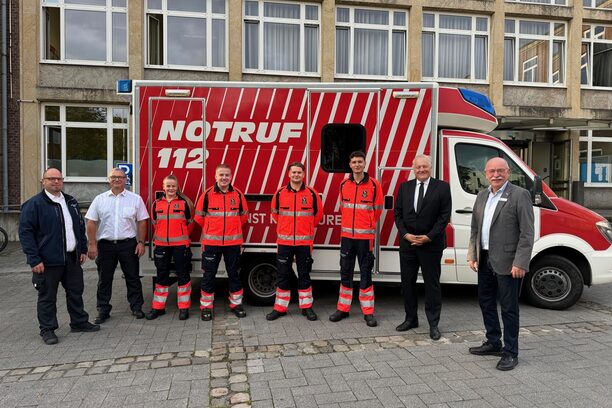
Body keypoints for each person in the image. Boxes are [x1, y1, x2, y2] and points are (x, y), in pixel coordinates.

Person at [467, 157, 534, 371]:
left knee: (509, 308)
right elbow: (475, 229)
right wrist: (472, 255)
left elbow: (527, 233)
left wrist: (520, 262)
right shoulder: (482, 195)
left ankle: (510, 352)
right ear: (485, 173)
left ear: (508, 172)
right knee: (485, 303)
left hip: (509, 263)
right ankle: (494, 342)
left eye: (500, 171)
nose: (496, 175)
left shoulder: (519, 195)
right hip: (485, 258)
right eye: (492, 171)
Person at [19, 168, 100, 345]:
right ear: (43, 181)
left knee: (75, 292)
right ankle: (47, 329)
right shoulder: (34, 205)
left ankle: (78, 322)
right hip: (47, 262)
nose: (56, 182)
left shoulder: (70, 201)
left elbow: (79, 227)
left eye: (59, 179)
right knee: (47, 296)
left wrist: (82, 249)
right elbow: (26, 234)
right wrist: (34, 259)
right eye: (51, 179)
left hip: (71, 258)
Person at [394, 154, 451, 340]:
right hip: (408, 244)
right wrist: (405, 234)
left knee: (432, 285)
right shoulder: (404, 188)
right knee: (407, 284)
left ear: (430, 167)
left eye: (424, 166)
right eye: (418, 167)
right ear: (413, 168)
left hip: (431, 245)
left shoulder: (442, 187)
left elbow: (444, 216)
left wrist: (428, 237)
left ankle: (433, 324)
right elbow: (398, 215)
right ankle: (411, 319)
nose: (421, 170)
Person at [86, 168, 149, 323]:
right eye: (114, 177)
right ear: (109, 179)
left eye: (121, 177)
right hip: (105, 246)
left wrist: (141, 242)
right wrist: (92, 244)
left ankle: (136, 307)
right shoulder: (99, 199)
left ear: (126, 180)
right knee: (104, 279)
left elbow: (142, 221)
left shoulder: (135, 199)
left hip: (128, 244)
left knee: (133, 277)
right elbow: (91, 222)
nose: (117, 180)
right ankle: (103, 310)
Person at [329, 151, 383, 327]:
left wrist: (366, 225)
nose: (357, 164)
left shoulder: (374, 185)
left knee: (366, 274)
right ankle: (343, 309)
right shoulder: (344, 184)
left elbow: (377, 210)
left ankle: (368, 312)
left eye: (360, 161)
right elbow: (344, 208)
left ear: (365, 163)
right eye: (354, 162)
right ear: (350, 165)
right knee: (345, 273)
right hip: (346, 237)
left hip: (365, 238)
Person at [266, 162, 323, 322]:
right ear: (289, 174)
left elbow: (318, 216)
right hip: (284, 243)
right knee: (283, 276)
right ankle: (280, 308)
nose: (296, 175)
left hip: (304, 243)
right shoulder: (279, 193)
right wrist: (286, 228)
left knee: (304, 275)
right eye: (294, 172)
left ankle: (306, 307)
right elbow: (275, 214)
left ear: (303, 175)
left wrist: (306, 229)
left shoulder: (312, 194)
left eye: (299, 172)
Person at [194, 164, 249, 321]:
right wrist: (212, 228)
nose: (224, 178)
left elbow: (244, 215)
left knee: (234, 274)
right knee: (209, 275)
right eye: (221, 175)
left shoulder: (237, 194)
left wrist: (234, 227)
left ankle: (236, 305)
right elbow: (199, 217)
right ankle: (206, 307)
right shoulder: (207, 195)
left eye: (227, 175)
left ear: (231, 177)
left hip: (233, 243)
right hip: (211, 243)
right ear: (215, 177)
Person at [146, 175, 193, 321]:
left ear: (177, 186)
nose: (171, 188)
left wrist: (182, 235)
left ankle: (184, 308)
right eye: (168, 186)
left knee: (183, 275)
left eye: (173, 186)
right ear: (163, 186)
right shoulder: (156, 204)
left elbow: (190, 223)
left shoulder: (184, 203)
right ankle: (158, 308)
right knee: (161, 276)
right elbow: (155, 223)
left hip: (180, 245)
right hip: (161, 245)